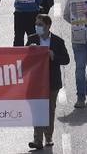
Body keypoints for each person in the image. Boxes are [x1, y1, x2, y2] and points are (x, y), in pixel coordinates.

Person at [27, 13, 69, 151]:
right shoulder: (32, 39)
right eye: (36, 24)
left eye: (40, 24)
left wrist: (53, 55)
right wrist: (29, 51)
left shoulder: (57, 41)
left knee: (49, 110)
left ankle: (48, 137)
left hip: (52, 82)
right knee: (38, 110)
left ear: (48, 26)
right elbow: (24, 61)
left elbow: (66, 60)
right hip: (36, 82)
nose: (37, 27)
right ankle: (37, 139)